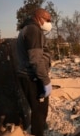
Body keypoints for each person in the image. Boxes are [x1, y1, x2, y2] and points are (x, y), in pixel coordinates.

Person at [15, 8, 52, 136]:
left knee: (38, 109)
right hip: (32, 77)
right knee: (39, 110)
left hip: (29, 75)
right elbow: (35, 60)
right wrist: (46, 81)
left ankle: (41, 128)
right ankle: (38, 132)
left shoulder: (27, 28)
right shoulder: (33, 30)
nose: (49, 23)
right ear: (39, 17)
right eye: (48, 20)